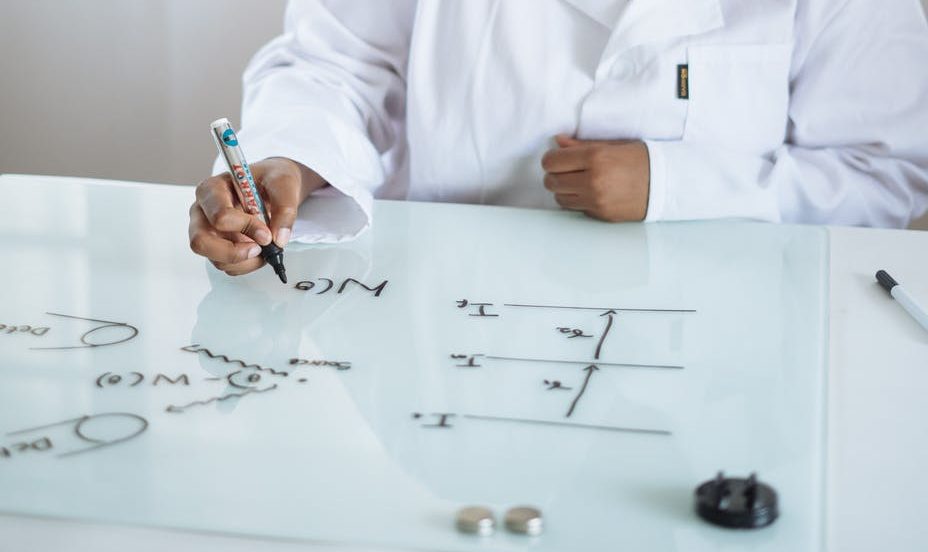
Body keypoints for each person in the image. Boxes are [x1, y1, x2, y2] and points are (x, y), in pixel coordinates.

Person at [189, 0, 928, 276]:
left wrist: (676, 185)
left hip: (725, 360)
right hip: (443, 330)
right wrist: (292, 163)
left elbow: (883, 172)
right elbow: (336, 61)